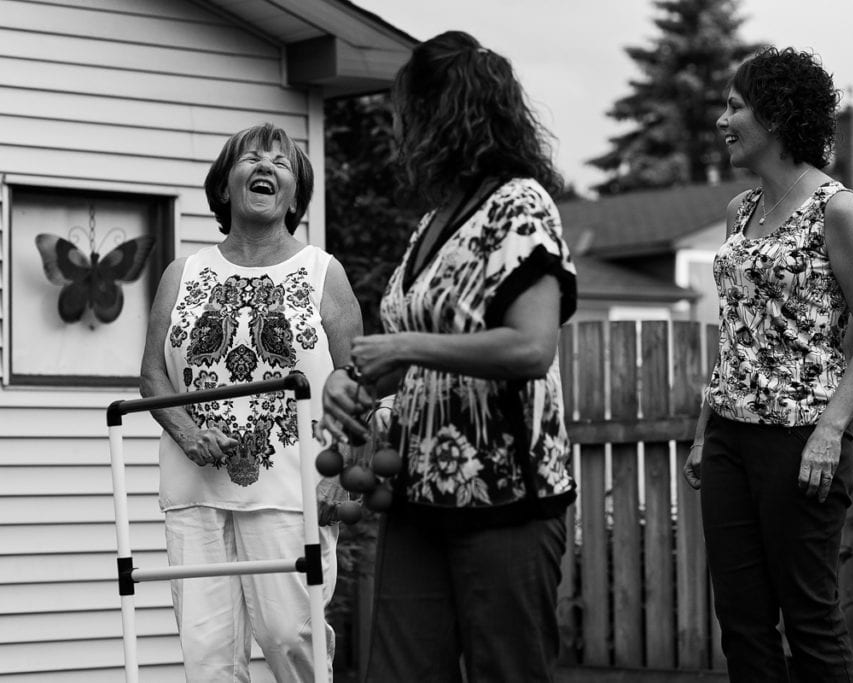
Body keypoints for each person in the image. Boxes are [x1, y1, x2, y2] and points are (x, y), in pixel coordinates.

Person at [320, 30, 577, 683]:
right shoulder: (429, 225)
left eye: (404, 108)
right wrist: (356, 385)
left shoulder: (520, 205)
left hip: (504, 495)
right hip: (417, 492)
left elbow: (530, 344)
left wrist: (403, 346)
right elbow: (418, 348)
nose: (395, 124)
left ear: (443, 112)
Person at [682, 47, 853, 682]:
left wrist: (830, 431)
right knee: (741, 623)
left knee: (809, 618)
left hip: (801, 440)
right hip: (727, 439)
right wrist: (702, 434)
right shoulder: (738, 213)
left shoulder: (838, 209)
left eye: (735, 106)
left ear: (775, 116)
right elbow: (735, 330)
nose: (723, 120)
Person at [139, 122, 362, 681]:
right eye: (251, 159)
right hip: (196, 496)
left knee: (292, 642)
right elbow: (152, 376)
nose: (266, 167)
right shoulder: (181, 273)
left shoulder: (322, 273)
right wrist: (189, 433)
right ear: (224, 186)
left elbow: (358, 381)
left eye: (281, 162)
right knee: (208, 658)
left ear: (295, 194)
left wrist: (340, 473)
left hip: (293, 490)